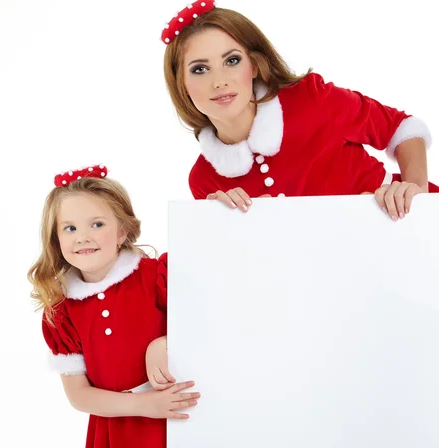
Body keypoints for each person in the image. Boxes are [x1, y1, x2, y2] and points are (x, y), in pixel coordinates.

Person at [160, 0, 436, 221]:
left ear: (254, 66)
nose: (219, 81)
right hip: (344, 280)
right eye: (199, 69)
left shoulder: (310, 99)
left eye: (232, 60)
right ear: (181, 84)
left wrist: (416, 196)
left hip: (407, 237)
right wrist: (228, 228)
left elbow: (401, 128)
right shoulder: (204, 181)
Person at [27, 165, 200, 448]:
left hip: (178, 419)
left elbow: (211, 331)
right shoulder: (61, 312)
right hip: (115, 429)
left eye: (97, 224)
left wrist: (164, 343)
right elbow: (79, 395)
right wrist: (144, 405)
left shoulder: (157, 277)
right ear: (56, 241)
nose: (82, 237)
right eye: (70, 228)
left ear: (122, 231)